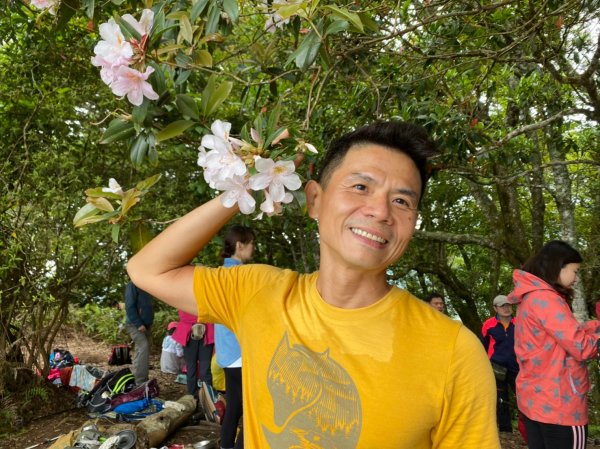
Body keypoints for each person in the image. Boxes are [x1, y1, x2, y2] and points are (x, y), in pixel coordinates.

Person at [127, 121, 500, 448]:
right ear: (315, 200)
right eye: (360, 186)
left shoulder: (454, 352)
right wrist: (245, 184)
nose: (381, 211)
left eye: (402, 200)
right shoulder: (258, 292)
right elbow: (147, 269)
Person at [507, 240, 600, 449]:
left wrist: (593, 328)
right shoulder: (547, 299)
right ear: (558, 267)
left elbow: (563, 334)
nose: (575, 278)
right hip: (561, 405)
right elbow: (582, 347)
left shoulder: (529, 298)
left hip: (537, 402)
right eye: (574, 271)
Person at [215, 225, 255, 449]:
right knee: (251, 408)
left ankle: (227, 445)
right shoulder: (241, 275)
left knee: (234, 407)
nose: (253, 249)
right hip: (240, 350)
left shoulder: (220, 274)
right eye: (251, 244)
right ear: (240, 246)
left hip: (226, 351)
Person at [481, 294, 519, 433]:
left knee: (523, 397)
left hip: (518, 367)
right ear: (495, 308)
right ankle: (505, 429)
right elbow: (482, 346)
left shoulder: (520, 322)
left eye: (508, 305)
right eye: (503, 306)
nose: (507, 308)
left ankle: (528, 427)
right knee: (501, 398)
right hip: (497, 367)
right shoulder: (488, 325)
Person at [172, 309, 214, 401]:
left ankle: (209, 399)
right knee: (191, 368)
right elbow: (183, 314)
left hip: (207, 333)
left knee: (205, 370)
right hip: (189, 333)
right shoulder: (185, 295)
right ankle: (192, 397)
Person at [124, 280, 154, 385]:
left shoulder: (145, 285)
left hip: (145, 324)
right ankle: (141, 381)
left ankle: (137, 378)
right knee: (143, 347)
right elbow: (129, 306)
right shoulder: (132, 285)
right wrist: (138, 323)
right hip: (135, 324)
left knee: (140, 351)